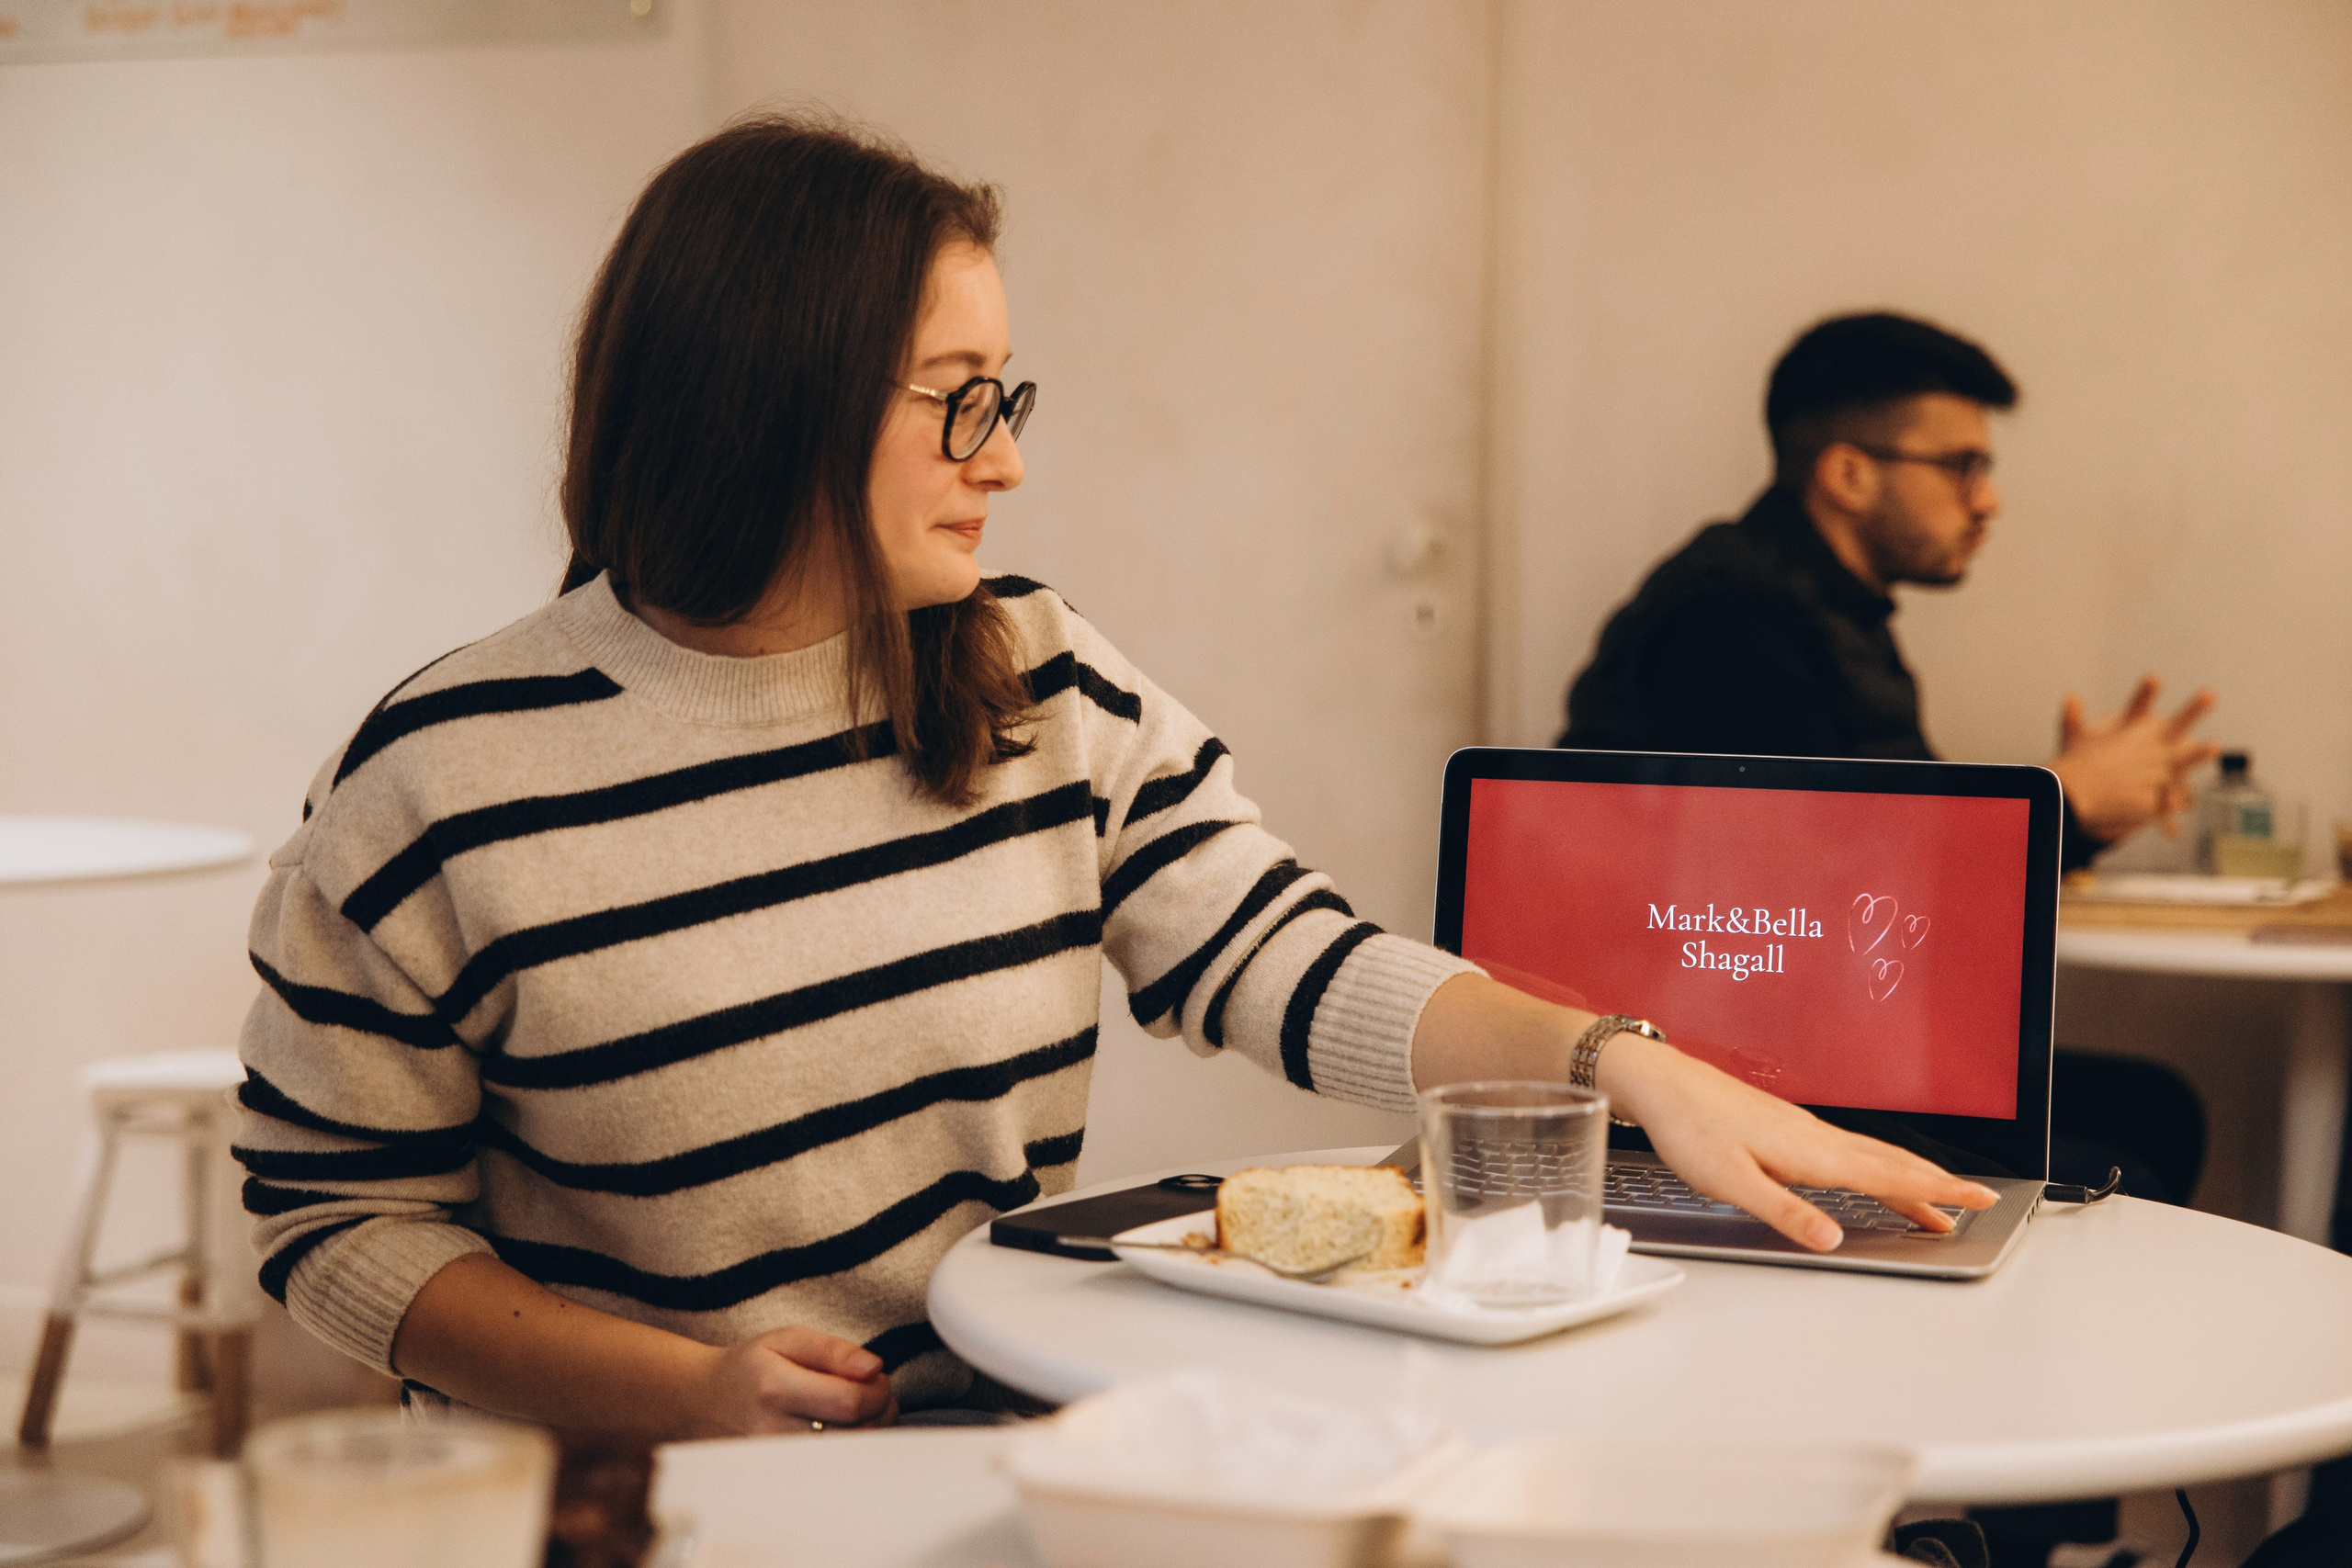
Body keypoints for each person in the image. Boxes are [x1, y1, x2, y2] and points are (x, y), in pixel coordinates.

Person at [233, 120, 1993, 1441]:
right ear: (771, 400)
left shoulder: (1035, 676)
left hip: (989, 1429)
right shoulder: (447, 777)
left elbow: (1282, 956)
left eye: (1009, 392)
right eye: (957, 401)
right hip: (634, 1490)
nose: (1007, 457)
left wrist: (1626, 1071)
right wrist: (678, 1392)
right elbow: (333, 1224)